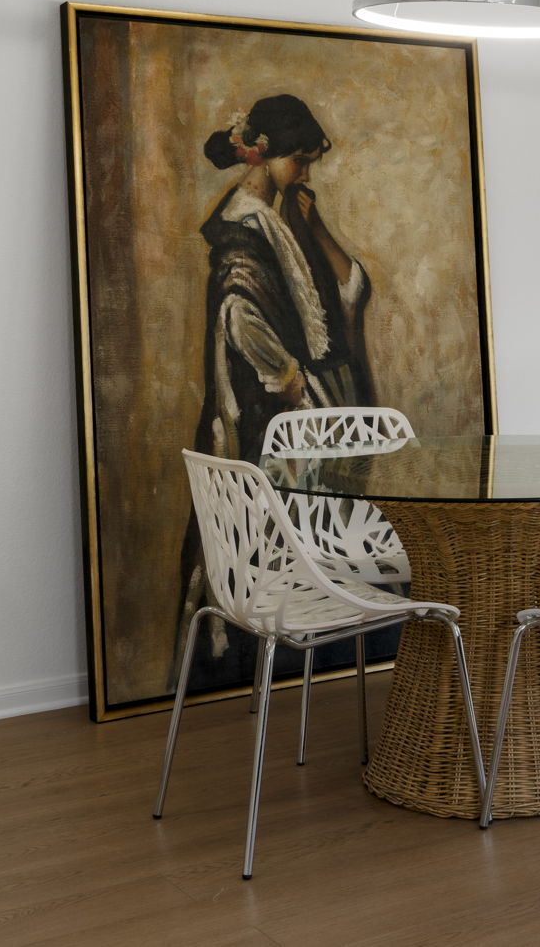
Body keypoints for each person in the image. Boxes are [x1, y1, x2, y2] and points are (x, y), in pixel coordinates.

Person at [179, 93, 375, 680]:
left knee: (319, 538)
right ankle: (269, 658)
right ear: (266, 155)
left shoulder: (283, 219)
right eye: (302, 160)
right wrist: (289, 381)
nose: (307, 172)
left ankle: (321, 650)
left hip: (306, 416)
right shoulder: (245, 224)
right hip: (273, 419)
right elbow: (238, 313)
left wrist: (314, 227)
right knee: (270, 544)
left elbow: (348, 292)